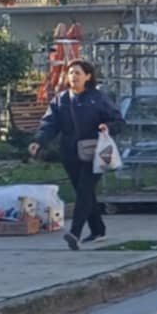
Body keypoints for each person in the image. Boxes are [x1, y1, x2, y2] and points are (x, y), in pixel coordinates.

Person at [29, 59, 124, 249]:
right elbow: (49, 124)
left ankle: (75, 233)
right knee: (84, 192)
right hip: (70, 153)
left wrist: (108, 127)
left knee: (84, 190)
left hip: (95, 153)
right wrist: (38, 141)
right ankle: (98, 230)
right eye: (71, 73)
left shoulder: (98, 98)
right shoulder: (61, 99)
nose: (74, 76)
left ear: (87, 76)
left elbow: (119, 121)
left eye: (78, 73)